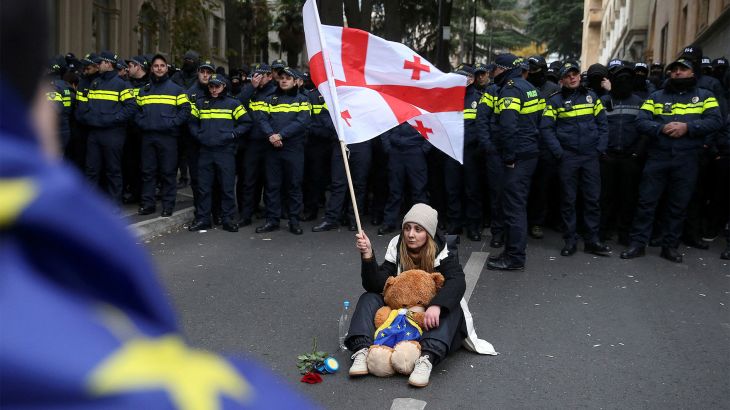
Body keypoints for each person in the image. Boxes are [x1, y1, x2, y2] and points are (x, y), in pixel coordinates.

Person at [346, 203, 496, 387]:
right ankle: (362, 351)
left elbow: (457, 281)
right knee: (368, 297)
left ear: (429, 232)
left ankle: (426, 359)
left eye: (418, 229)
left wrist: (436, 305)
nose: (411, 234)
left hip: (427, 316)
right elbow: (376, 285)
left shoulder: (442, 249)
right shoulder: (397, 244)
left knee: (453, 307)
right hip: (398, 310)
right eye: (407, 228)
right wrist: (367, 255)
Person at [620, 57, 723, 263]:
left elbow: (715, 120)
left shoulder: (705, 96)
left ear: (692, 73)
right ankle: (638, 244)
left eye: (683, 69)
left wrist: (688, 128)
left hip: (687, 158)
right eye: (674, 69)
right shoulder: (656, 96)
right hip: (658, 156)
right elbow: (641, 120)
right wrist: (660, 128)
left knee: (678, 205)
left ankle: (670, 246)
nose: (677, 72)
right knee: (647, 202)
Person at [540, 61, 612, 257]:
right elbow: (546, 129)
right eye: (568, 75)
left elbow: (603, 125)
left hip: (590, 156)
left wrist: (599, 149)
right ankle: (570, 241)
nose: (572, 77)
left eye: (575, 74)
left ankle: (592, 241)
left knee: (592, 200)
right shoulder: (555, 101)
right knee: (568, 201)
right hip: (568, 157)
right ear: (562, 79)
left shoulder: (592, 97)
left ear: (580, 76)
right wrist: (559, 153)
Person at [484, 54, 544, 271]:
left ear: (504, 69)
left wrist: (509, 158)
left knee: (513, 208)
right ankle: (512, 251)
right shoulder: (531, 88)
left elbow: (508, 127)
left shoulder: (510, 90)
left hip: (517, 157)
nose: (492, 74)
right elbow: (540, 121)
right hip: (529, 153)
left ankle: (514, 257)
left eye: (495, 70)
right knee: (517, 206)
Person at [188, 74, 252, 233]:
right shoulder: (201, 103)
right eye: (211, 86)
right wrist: (199, 135)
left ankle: (227, 219)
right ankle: (203, 219)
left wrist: (233, 135)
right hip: (205, 151)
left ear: (224, 86)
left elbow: (246, 122)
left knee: (226, 187)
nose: (214, 89)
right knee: (203, 187)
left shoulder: (233, 103)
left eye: (217, 86)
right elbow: (191, 122)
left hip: (225, 152)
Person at [75, 50, 137, 206]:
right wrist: (91, 119)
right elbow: (87, 105)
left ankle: (115, 204)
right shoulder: (96, 82)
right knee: (91, 170)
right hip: (95, 134)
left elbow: (131, 107)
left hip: (113, 134)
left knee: (113, 171)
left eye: (100, 63)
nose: (97, 65)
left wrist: (114, 119)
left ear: (108, 64)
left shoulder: (121, 84)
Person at [254, 67, 311, 235]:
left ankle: (294, 221)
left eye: (288, 78)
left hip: (293, 149)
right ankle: (272, 220)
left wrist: (280, 135)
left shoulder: (302, 100)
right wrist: (271, 135)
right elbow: (262, 119)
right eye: (282, 78)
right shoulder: (269, 99)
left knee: (294, 185)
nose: (284, 80)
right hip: (272, 149)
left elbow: (302, 122)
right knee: (272, 186)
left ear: (296, 82)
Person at [135, 54, 190, 217]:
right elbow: (135, 111)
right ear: (151, 68)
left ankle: (168, 205)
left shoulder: (176, 89)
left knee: (168, 173)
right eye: (156, 66)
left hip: (168, 138)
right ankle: (148, 204)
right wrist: (143, 123)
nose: (159, 68)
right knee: (148, 172)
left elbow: (185, 110)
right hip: (148, 137)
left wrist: (172, 123)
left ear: (167, 68)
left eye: (162, 66)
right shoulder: (144, 90)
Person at [443, 64, 484, 241]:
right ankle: (455, 224)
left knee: (472, 190)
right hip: (451, 151)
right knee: (452, 189)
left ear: (471, 79)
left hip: (470, 152)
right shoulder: (448, 98)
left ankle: (473, 226)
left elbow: (481, 126)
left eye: (463, 77)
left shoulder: (479, 99)